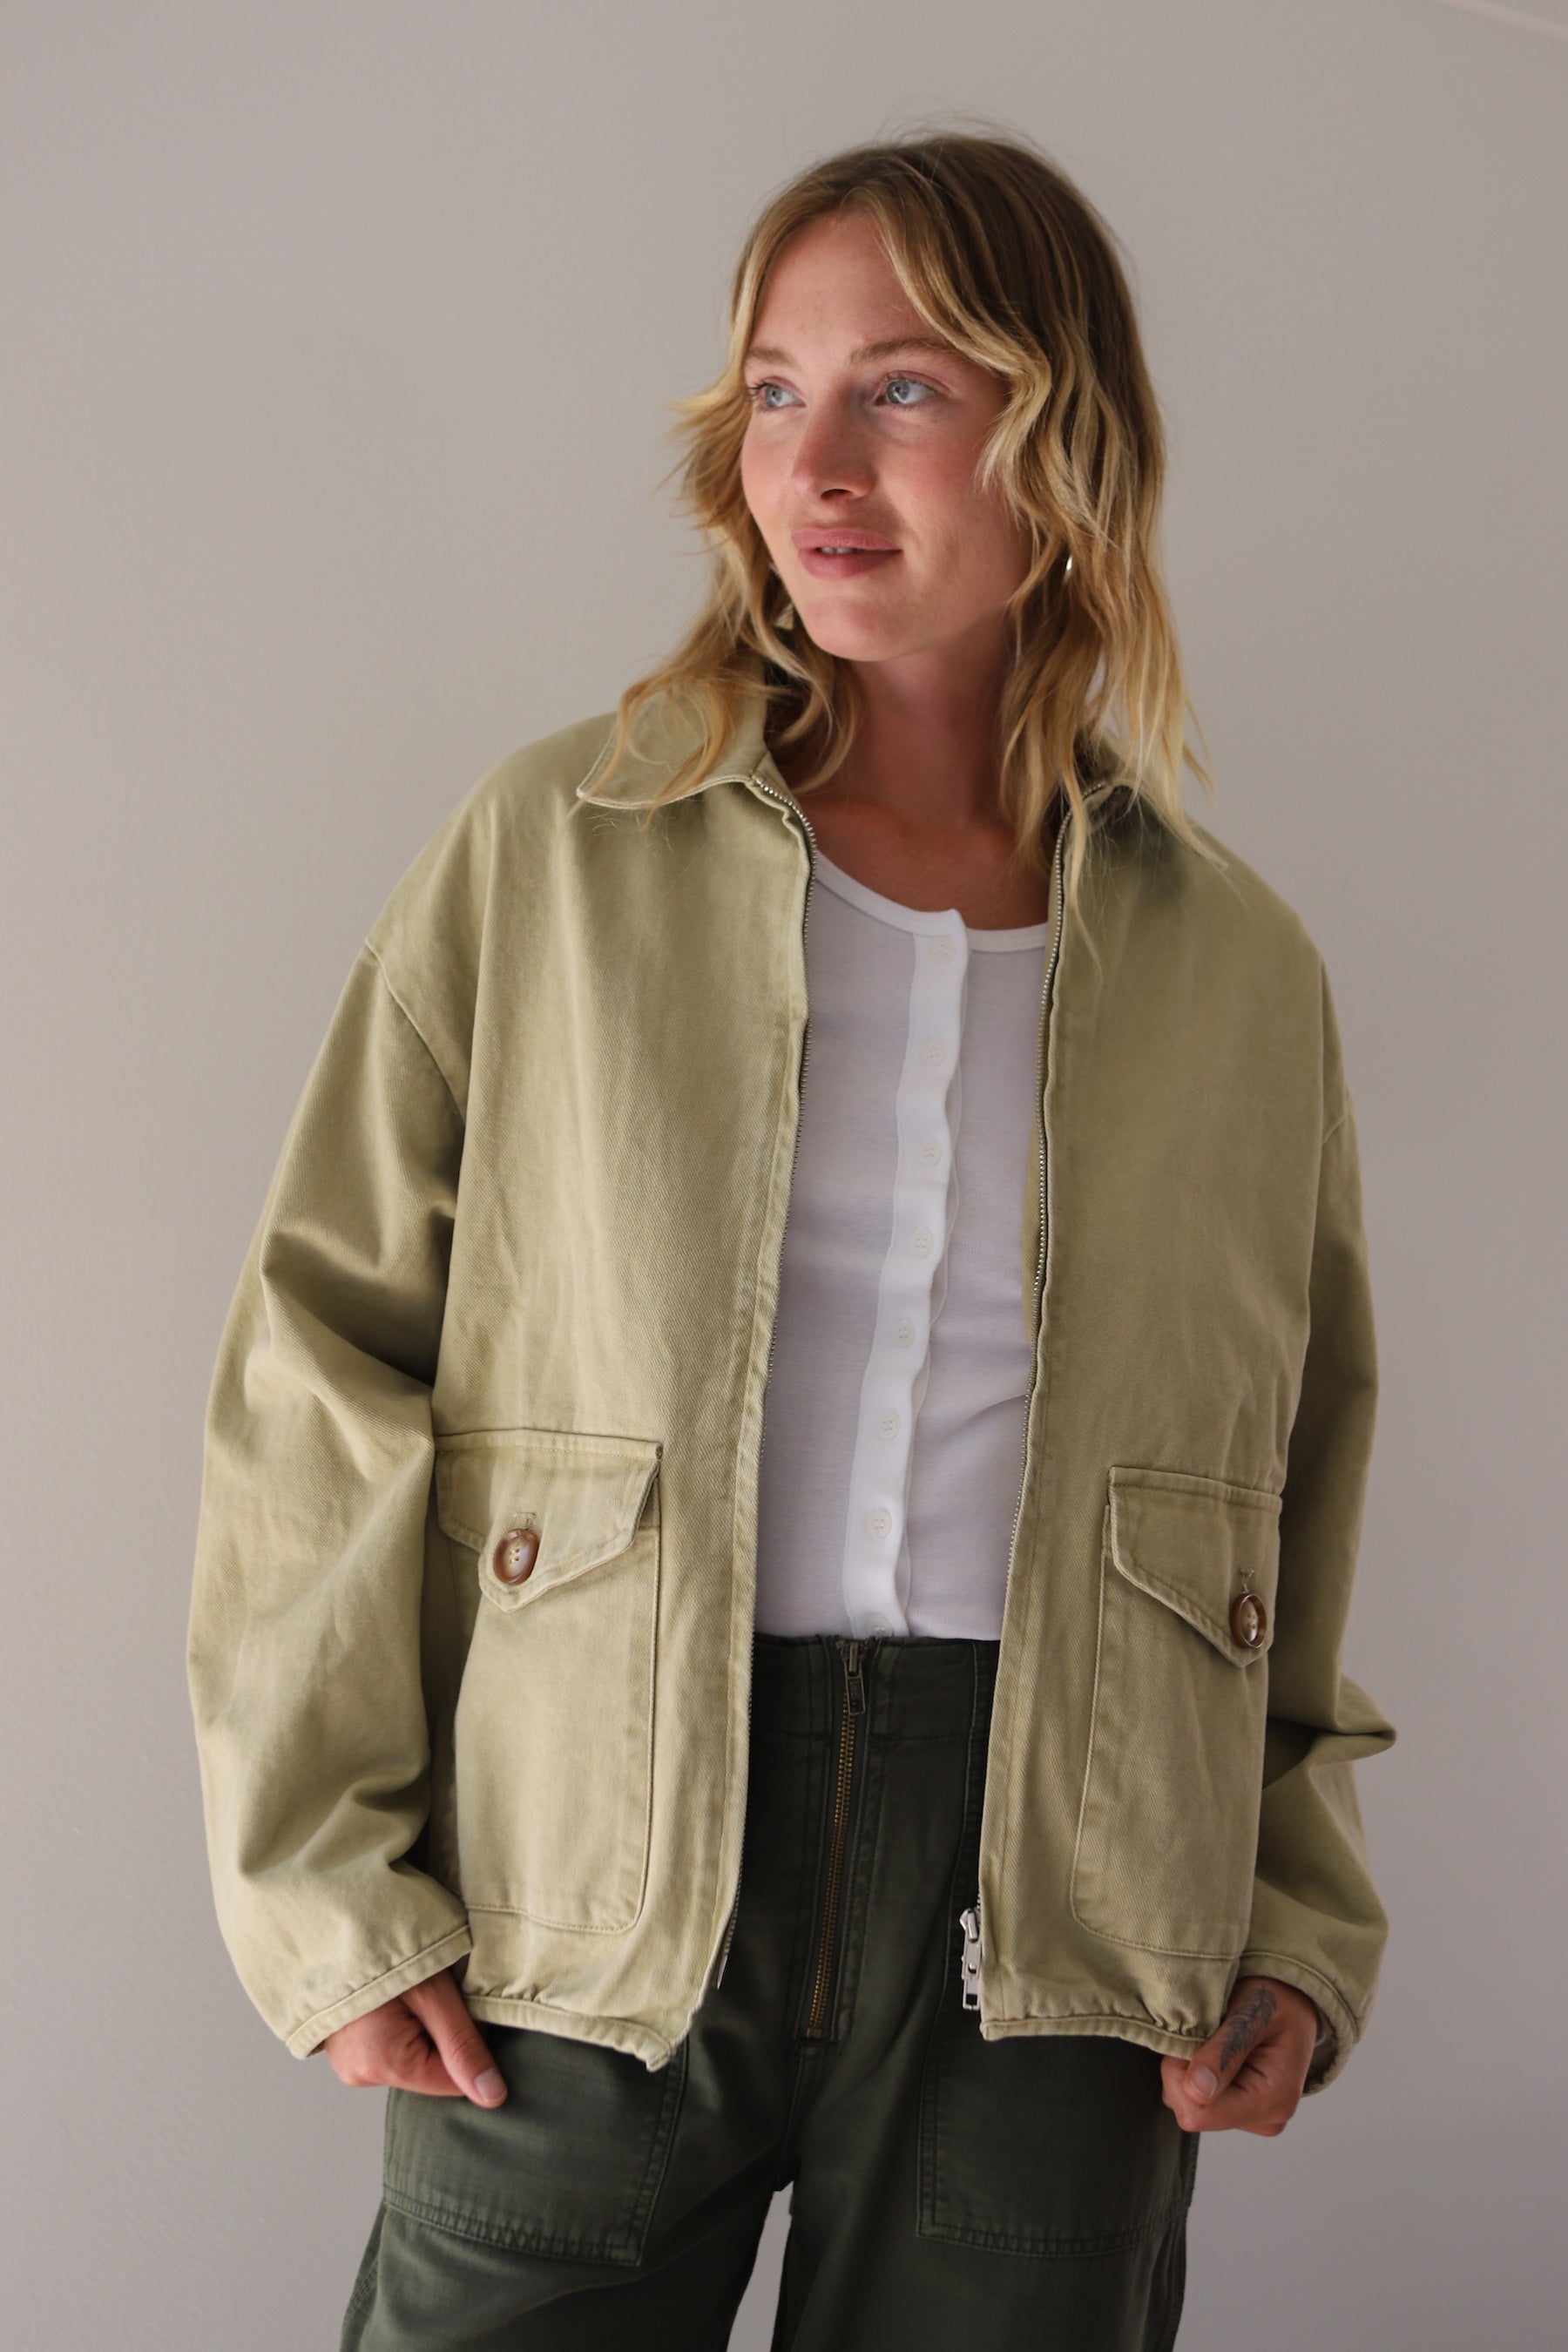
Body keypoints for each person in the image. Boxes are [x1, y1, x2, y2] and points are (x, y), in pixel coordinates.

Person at [187, 130, 1395, 2350]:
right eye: (771, 392)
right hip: (585, 1856)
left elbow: (1294, 1468)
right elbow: (323, 1353)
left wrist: (1299, 1922)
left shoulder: (1234, 964)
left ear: (1064, 437)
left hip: (1066, 1892)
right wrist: (328, 1885)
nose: (812, 466)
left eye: (901, 389)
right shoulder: (557, 852)